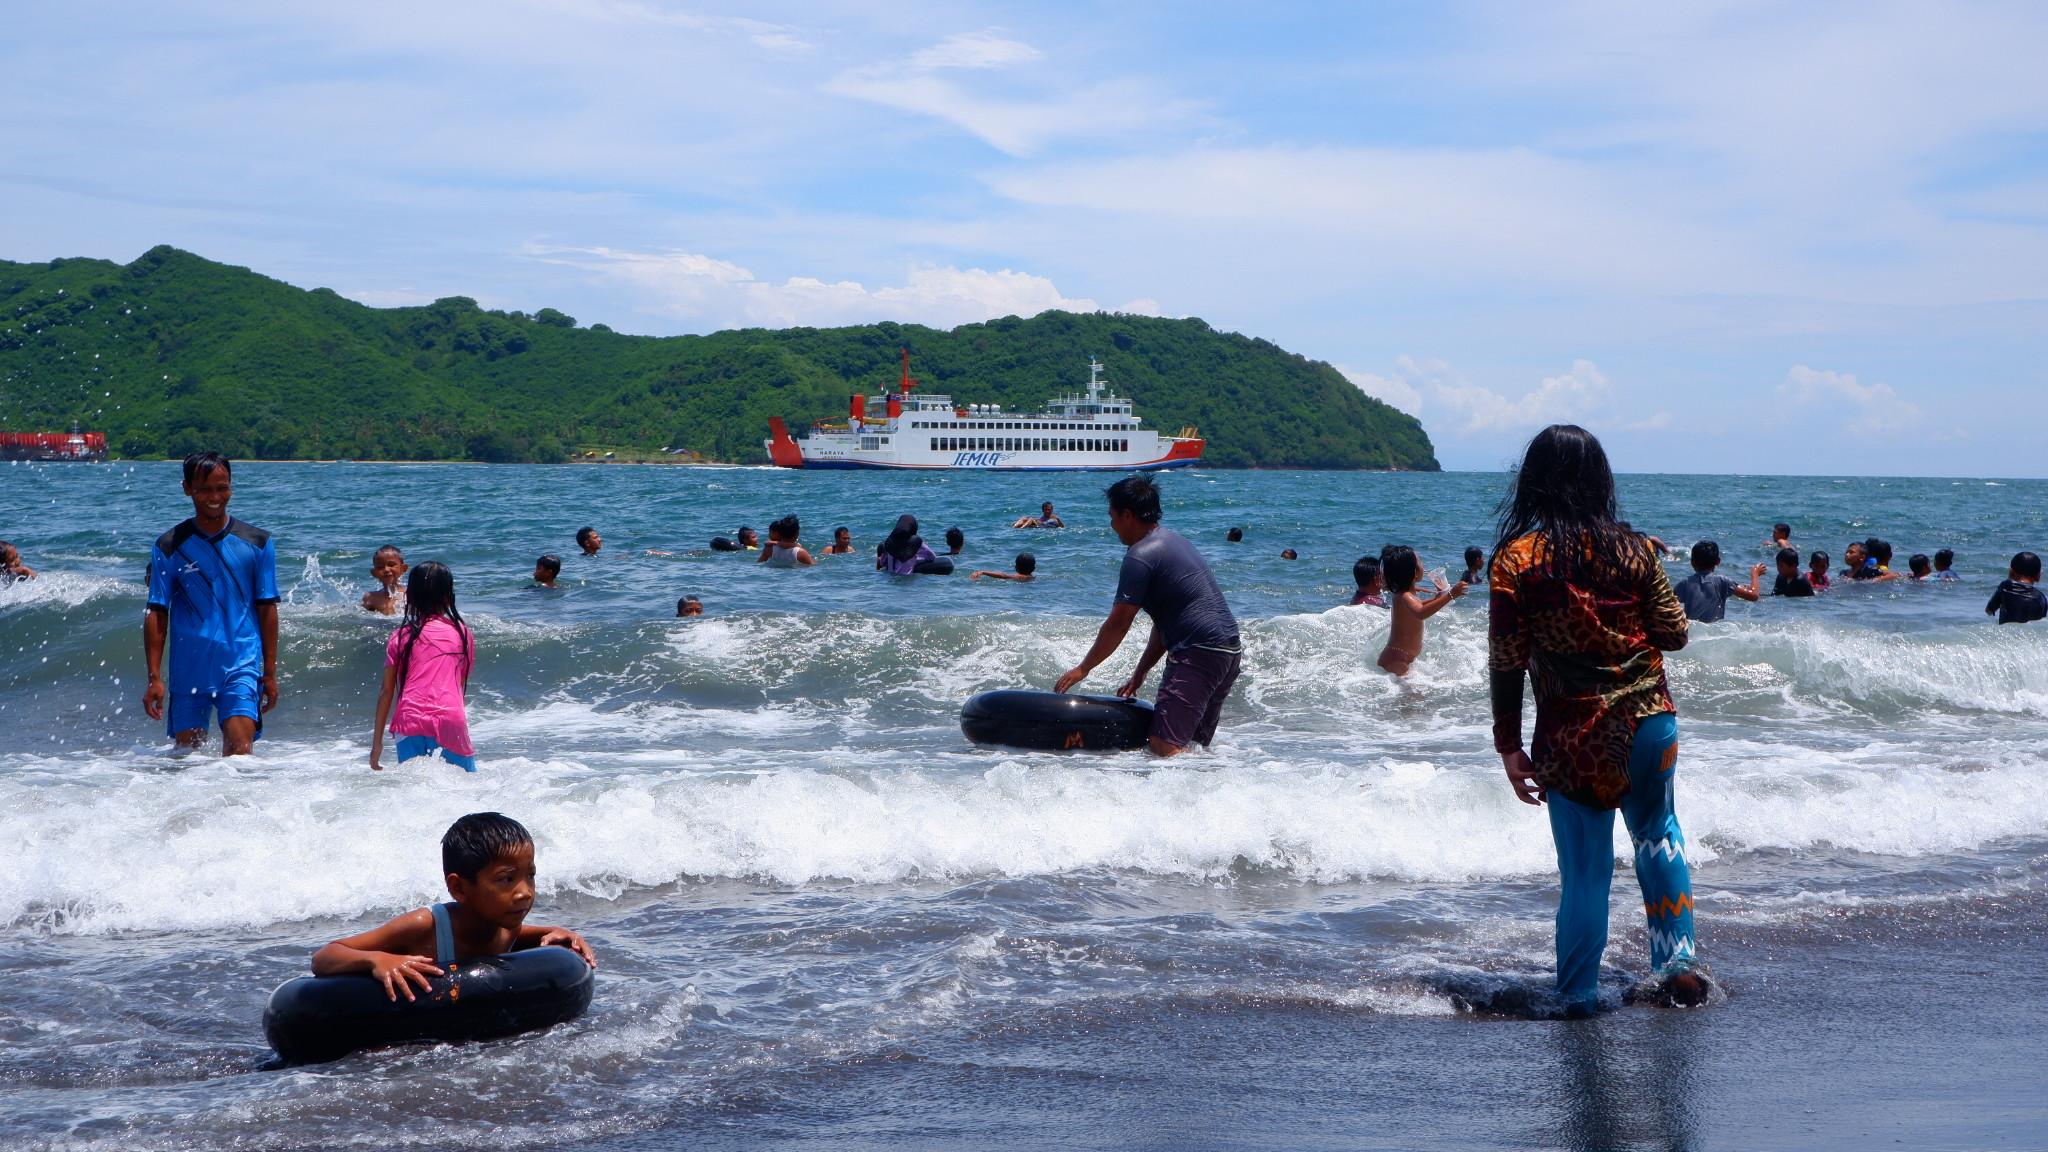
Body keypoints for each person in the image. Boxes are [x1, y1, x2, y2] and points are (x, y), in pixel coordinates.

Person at [1489, 424, 1702, 1016]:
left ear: (1533, 481)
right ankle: (1677, 965)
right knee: (1659, 835)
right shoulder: (1634, 549)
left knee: (1585, 873)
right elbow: (1676, 634)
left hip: (1571, 735)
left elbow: (1506, 659)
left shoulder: (1519, 559)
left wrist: (1508, 744)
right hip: (1648, 721)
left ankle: (1578, 994)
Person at [310, 812, 595, 1002]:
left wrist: (559, 932)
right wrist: (378, 960)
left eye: (530, 875)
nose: (524, 892)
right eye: (506, 879)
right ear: (459, 888)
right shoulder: (424, 926)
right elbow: (326, 957)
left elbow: (521, 935)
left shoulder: (506, 926)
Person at [1054, 475, 1241, 757]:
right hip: (1226, 650)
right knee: (1192, 745)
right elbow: (1166, 621)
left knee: (1164, 745)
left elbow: (1118, 624)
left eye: (1112, 516)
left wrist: (1084, 668)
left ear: (1127, 515)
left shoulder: (1140, 556)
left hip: (1198, 651)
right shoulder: (1173, 541)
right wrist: (1140, 673)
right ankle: (1221, 794)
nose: (1111, 525)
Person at [142, 452, 279, 757]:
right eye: (204, 489)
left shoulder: (257, 542)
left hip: (240, 664)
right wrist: (154, 677)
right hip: (188, 669)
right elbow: (157, 612)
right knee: (186, 759)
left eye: (222, 488)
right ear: (187, 488)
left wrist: (269, 671)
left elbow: (267, 608)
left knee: (240, 754)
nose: (215, 497)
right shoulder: (169, 546)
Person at [370, 561, 476, 772]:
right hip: (449, 718)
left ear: (409, 596)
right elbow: (459, 684)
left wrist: (377, 744)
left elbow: (387, 691)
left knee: (415, 789)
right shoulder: (462, 634)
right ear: (448, 596)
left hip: (409, 721)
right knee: (466, 788)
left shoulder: (401, 636)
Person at [1376, 545, 1466, 675]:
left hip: (1399, 658)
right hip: (1396, 660)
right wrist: (1450, 595)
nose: (1423, 565)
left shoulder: (1405, 595)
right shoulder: (1405, 596)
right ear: (1414, 572)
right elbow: (1421, 612)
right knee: (1415, 695)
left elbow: (1419, 606)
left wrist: (1439, 597)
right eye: (1420, 561)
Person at [1672, 541, 1763, 622]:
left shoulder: (1684, 584)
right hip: (1714, 632)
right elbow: (1754, 595)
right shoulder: (1723, 581)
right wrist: (1755, 573)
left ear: (1692, 562)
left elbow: (1665, 606)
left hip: (1692, 632)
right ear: (1718, 561)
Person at [1986, 552, 2045, 624]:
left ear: (2011, 572)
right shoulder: (2041, 598)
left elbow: (1989, 610)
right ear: (2038, 576)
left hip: (2005, 633)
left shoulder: (2005, 587)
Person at [362, 545, 406, 614]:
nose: (386, 569)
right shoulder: (371, 598)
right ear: (374, 573)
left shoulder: (410, 594)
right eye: (380, 567)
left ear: (403, 569)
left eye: (391, 565)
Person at [972, 553, 1037, 582]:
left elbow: (1003, 576)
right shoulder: (1032, 578)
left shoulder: (1021, 577)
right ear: (1034, 568)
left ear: (1016, 567)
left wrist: (983, 572)